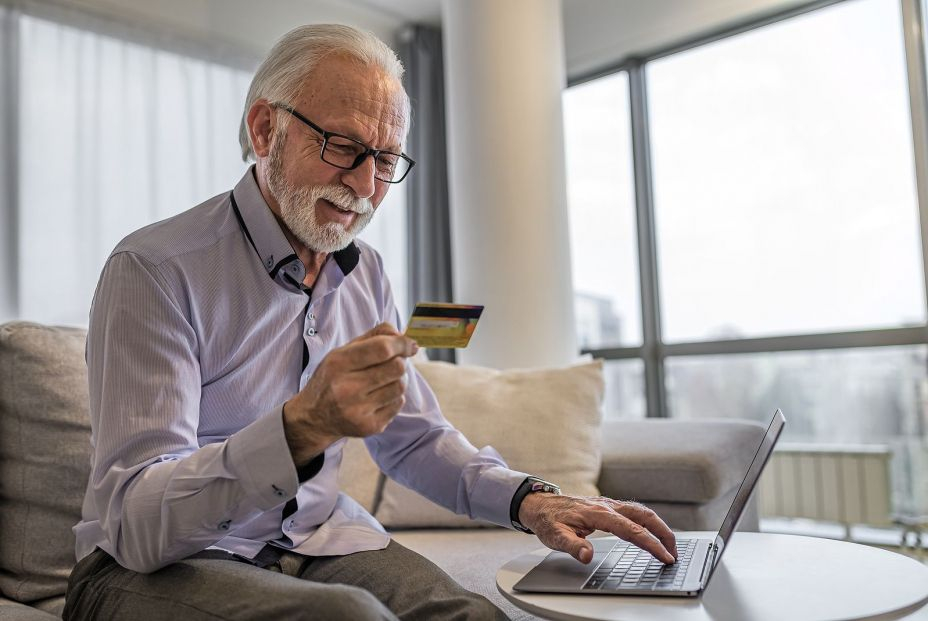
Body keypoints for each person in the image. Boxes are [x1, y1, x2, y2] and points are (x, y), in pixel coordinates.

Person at [63, 24, 677, 621]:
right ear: (264, 128)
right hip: (149, 568)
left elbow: (412, 437)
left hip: (316, 541)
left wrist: (531, 499)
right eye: (344, 147)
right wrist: (302, 429)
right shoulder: (154, 269)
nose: (363, 185)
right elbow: (136, 525)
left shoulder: (366, 274)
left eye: (385, 160)